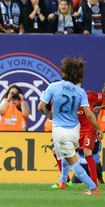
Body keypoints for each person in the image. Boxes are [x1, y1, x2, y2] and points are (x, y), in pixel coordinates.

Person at [38, 56, 103, 195]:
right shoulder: (80, 92)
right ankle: (62, 180)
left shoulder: (54, 86)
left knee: (73, 161)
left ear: (64, 72)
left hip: (61, 130)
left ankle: (93, 188)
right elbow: (90, 114)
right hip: (75, 130)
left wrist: (49, 116)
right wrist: (98, 128)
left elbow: (41, 107)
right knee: (64, 154)